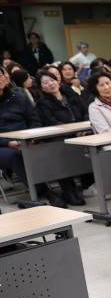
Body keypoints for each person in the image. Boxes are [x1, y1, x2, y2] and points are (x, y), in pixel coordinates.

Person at [0, 65, 83, 208]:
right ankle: (46, 192)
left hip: (26, 138)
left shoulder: (18, 96)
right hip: (3, 145)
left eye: (1, 75)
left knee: (51, 146)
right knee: (16, 156)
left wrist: (33, 137)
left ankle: (68, 189)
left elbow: (34, 119)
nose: (0, 79)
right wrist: (8, 143)